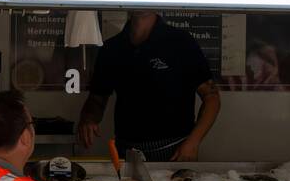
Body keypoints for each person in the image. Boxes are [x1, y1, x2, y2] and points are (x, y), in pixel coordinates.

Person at [76, 10, 220, 161]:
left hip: (176, 152)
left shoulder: (181, 42)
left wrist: (193, 143)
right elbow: (97, 98)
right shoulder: (112, 48)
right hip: (126, 152)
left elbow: (211, 98)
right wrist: (88, 118)